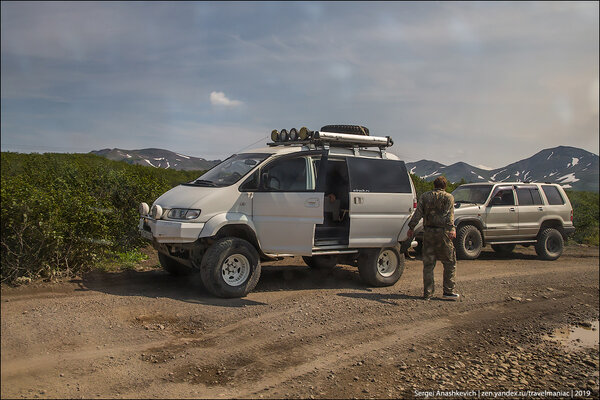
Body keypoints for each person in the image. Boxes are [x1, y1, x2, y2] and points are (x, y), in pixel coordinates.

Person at [407, 176, 460, 301]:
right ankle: (448, 291)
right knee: (449, 262)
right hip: (443, 233)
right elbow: (450, 215)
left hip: (428, 232)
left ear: (434, 185)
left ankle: (428, 293)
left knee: (428, 264)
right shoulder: (448, 197)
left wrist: (411, 227)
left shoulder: (425, 196)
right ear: (444, 186)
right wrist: (452, 229)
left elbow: (418, 213)